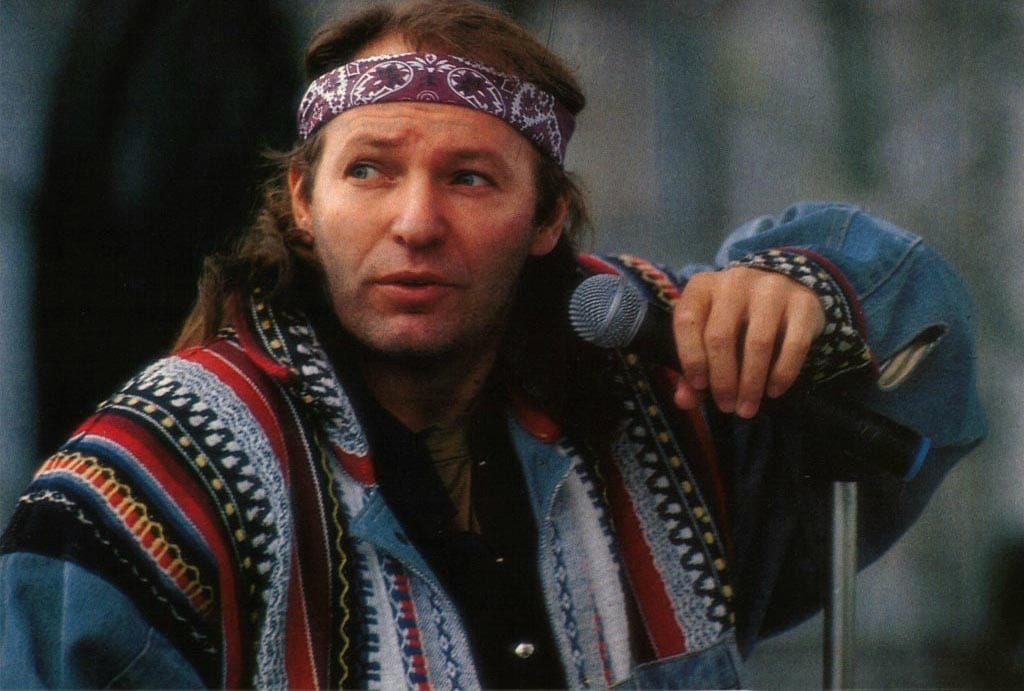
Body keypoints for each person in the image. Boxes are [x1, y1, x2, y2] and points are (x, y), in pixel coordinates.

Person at [0, 1, 985, 689]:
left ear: (547, 216)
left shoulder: (647, 384)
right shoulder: (163, 470)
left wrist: (802, 300)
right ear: (303, 201)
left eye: (469, 178)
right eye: (369, 171)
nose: (415, 223)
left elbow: (926, 365)